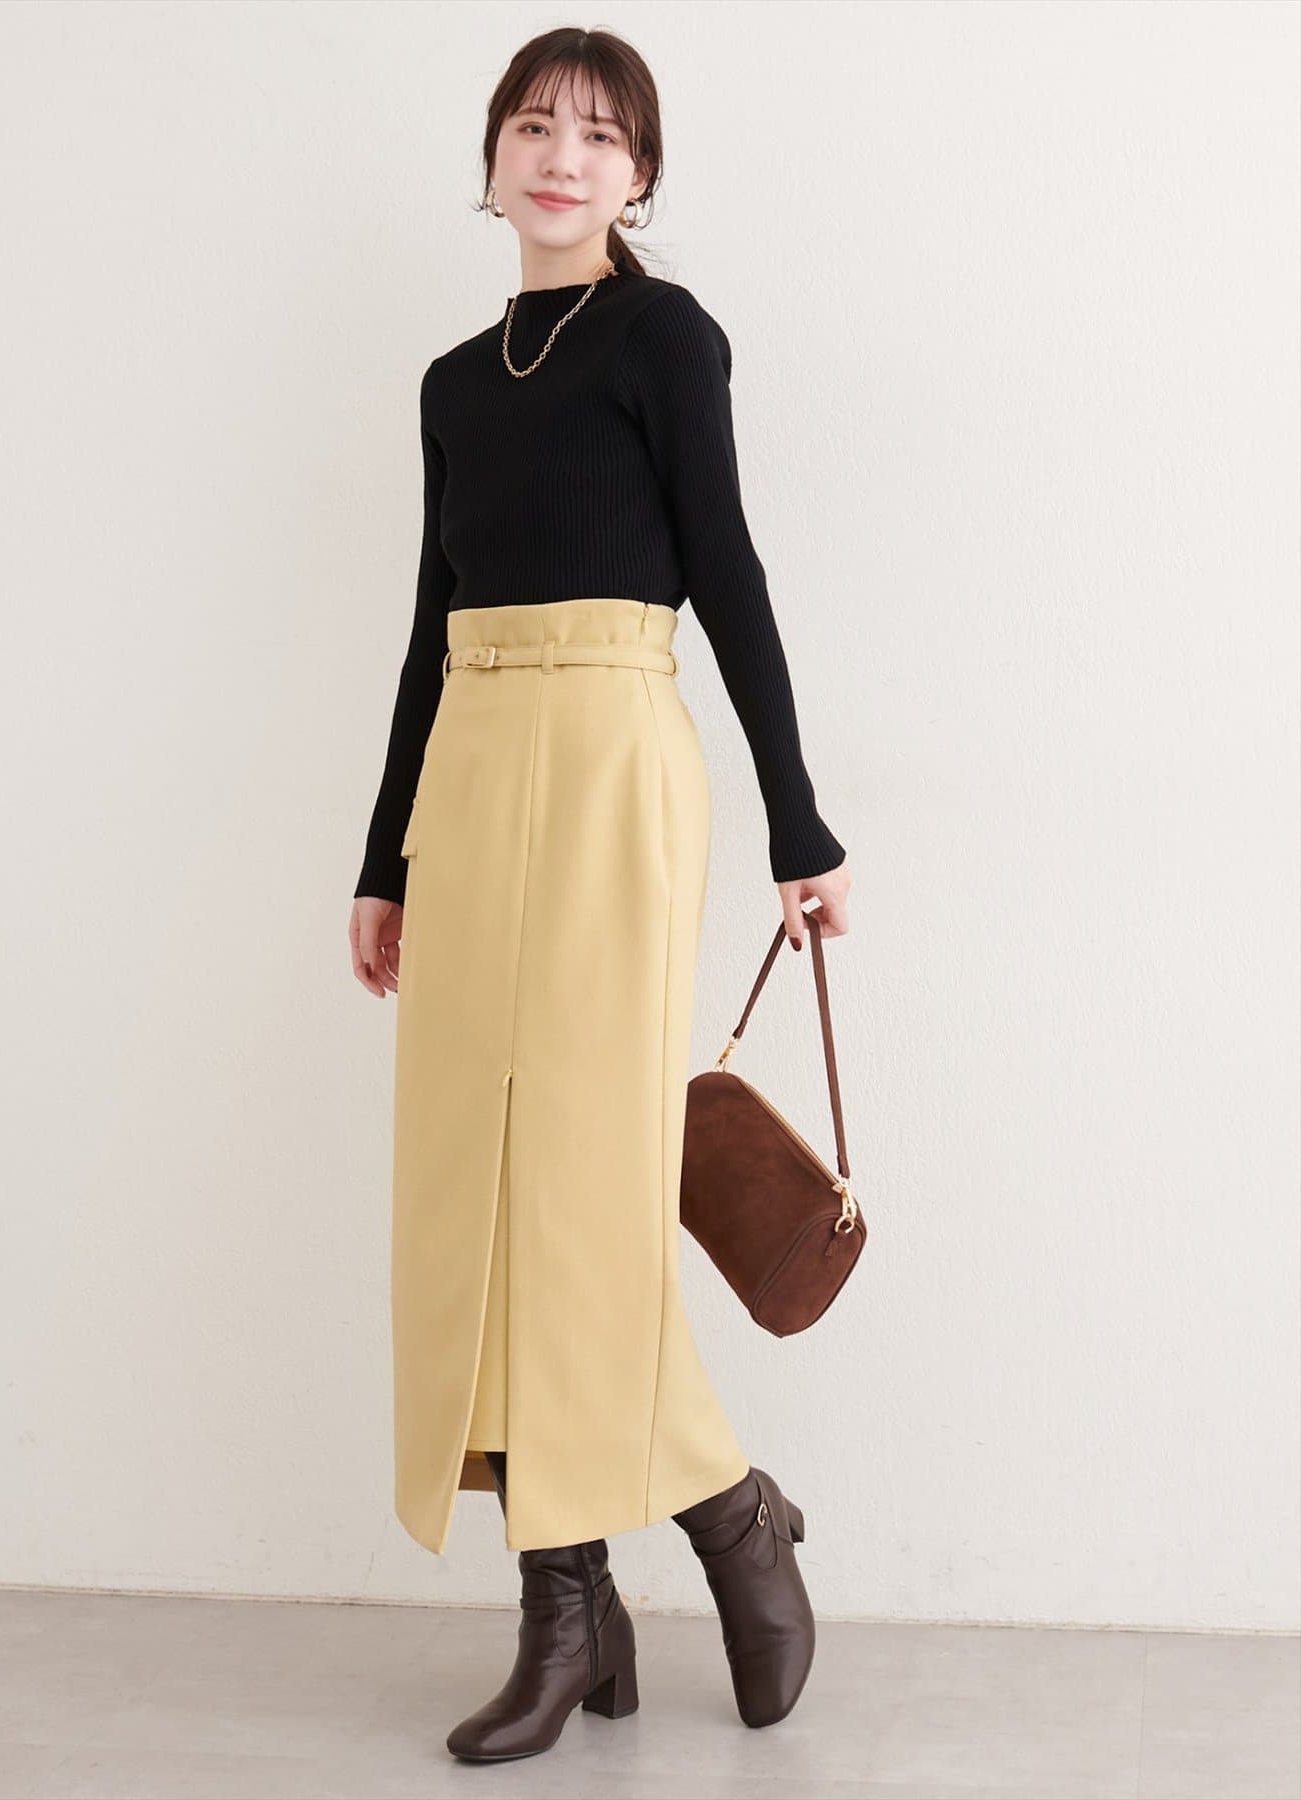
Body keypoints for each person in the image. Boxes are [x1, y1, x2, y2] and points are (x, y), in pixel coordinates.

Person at [348, 26, 852, 1764]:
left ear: (640, 176)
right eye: (534, 126)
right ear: (492, 157)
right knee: (476, 1191)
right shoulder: (452, 379)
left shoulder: (664, 337)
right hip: (475, 773)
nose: (561, 157)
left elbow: (730, 574)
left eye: (599, 134)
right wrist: (382, 860)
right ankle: (580, 1598)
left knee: (583, 1184)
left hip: (618, 756)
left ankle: (715, 1519)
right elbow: (432, 625)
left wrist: (799, 826)